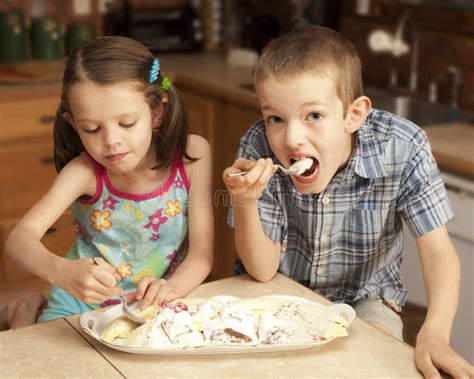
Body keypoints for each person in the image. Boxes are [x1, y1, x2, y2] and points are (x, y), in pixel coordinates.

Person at [223, 26, 473, 378]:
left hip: (366, 299)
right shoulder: (256, 146)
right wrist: (245, 199)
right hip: (280, 291)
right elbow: (262, 271)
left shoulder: (403, 146)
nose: (292, 138)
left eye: (314, 116)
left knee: (366, 366)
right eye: (275, 118)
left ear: (353, 115)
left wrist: (434, 333)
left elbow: (437, 252)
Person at [5, 36, 213, 322]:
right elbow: (18, 240)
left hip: (159, 298)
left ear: (157, 111)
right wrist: (61, 271)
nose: (112, 141)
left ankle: (24, 309)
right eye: (91, 129)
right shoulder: (83, 173)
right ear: (73, 124)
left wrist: (169, 290)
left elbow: (201, 254)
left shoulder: (192, 156)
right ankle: (23, 312)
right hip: (81, 303)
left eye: (126, 123)